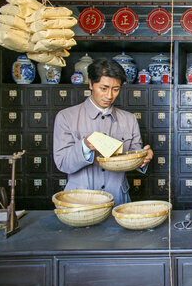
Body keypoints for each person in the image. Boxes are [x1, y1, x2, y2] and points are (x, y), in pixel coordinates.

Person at [53, 58, 154, 205]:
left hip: (117, 199)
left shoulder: (129, 119)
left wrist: (143, 159)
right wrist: (85, 146)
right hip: (80, 201)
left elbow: (134, 156)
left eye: (116, 89)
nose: (109, 96)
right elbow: (63, 163)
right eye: (104, 88)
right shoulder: (66, 117)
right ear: (90, 84)